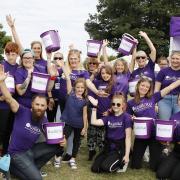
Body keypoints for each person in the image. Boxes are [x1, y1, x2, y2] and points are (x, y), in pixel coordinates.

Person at [0, 64, 65, 180]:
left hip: (29, 151)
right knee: (37, 179)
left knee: (58, 147)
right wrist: (1, 82)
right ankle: (17, 168)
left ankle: (19, 169)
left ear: (46, 107)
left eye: (42, 105)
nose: (39, 107)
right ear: (32, 105)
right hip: (16, 154)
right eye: (37, 104)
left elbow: (54, 138)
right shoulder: (21, 111)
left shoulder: (44, 120)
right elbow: (9, 99)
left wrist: (62, 140)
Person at [127, 77, 180, 170]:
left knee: (155, 167)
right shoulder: (130, 103)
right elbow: (127, 117)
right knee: (135, 165)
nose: (144, 88)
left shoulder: (153, 97)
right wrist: (132, 118)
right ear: (138, 85)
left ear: (149, 89)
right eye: (143, 85)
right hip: (141, 135)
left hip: (154, 133)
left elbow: (170, 87)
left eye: (147, 87)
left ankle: (164, 155)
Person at [90, 94, 132, 173]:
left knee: (106, 168)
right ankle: (109, 159)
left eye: (118, 104)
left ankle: (124, 161)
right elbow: (93, 122)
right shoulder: (109, 117)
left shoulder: (126, 117)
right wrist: (95, 107)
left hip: (119, 148)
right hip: (108, 147)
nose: (115, 106)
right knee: (95, 169)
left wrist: (126, 155)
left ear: (123, 105)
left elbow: (128, 137)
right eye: (113, 104)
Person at [57, 63, 88, 169]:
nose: (80, 89)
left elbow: (85, 115)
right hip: (69, 123)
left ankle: (73, 159)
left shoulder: (85, 101)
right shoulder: (70, 94)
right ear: (75, 88)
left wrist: (85, 127)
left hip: (79, 124)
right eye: (78, 87)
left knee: (76, 142)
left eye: (82, 88)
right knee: (62, 138)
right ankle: (58, 156)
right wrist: (63, 67)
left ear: (84, 89)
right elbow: (68, 80)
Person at [87, 65, 115, 161]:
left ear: (111, 74)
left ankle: (102, 152)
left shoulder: (113, 85)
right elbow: (89, 90)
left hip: (106, 114)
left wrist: (110, 111)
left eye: (107, 73)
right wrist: (94, 102)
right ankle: (91, 150)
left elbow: (115, 100)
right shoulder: (97, 82)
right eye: (103, 73)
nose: (105, 75)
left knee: (103, 135)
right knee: (92, 133)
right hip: (95, 112)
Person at [0, 42, 19, 155]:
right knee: (1, 131)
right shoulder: (1, 65)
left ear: (17, 55)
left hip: (13, 104)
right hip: (2, 104)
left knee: (9, 131)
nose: (10, 56)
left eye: (13, 54)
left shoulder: (19, 68)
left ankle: (5, 155)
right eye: (8, 54)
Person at [156, 103, 180, 180]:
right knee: (161, 174)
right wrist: (166, 141)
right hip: (176, 151)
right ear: (178, 102)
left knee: (175, 177)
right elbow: (170, 135)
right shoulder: (174, 117)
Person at [155, 51, 180, 120]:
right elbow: (157, 89)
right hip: (164, 100)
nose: (175, 61)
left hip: (178, 101)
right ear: (170, 59)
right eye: (173, 58)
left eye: (177, 59)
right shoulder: (163, 71)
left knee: (177, 125)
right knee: (164, 124)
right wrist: (155, 103)